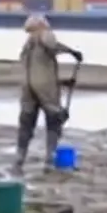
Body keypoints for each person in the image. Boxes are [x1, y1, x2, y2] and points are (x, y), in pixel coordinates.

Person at [12, 14, 83, 174]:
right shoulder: (45, 35)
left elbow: (36, 68)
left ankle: (19, 160)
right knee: (54, 121)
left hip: (27, 88)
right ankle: (49, 160)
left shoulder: (27, 45)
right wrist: (71, 52)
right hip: (45, 88)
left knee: (26, 125)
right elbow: (52, 45)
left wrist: (62, 82)